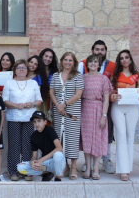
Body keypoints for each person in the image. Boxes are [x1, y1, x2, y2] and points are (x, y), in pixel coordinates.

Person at [77, 40, 116, 174]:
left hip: (99, 109)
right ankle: (87, 168)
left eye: (95, 62)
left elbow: (106, 99)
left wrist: (104, 116)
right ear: (87, 64)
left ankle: (96, 169)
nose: (93, 64)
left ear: (99, 65)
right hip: (85, 110)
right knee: (87, 139)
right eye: (91, 62)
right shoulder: (82, 78)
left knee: (98, 139)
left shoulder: (103, 79)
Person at [3, 60, 43, 181]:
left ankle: (26, 170)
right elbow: (5, 100)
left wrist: (32, 104)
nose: (21, 69)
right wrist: (16, 105)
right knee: (14, 145)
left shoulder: (33, 83)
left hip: (29, 119)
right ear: (15, 70)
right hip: (14, 117)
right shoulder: (9, 83)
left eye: (24, 67)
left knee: (28, 145)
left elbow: (39, 100)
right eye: (19, 67)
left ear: (27, 69)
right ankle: (13, 171)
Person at [110, 50, 139, 181]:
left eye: (126, 57)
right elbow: (110, 92)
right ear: (119, 61)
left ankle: (128, 168)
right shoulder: (115, 75)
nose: (124, 60)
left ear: (130, 59)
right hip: (118, 107)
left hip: (132, 108)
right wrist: (113, 96)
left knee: (130, 137)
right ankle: (123, 170)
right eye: (121, 58)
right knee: (121, 136)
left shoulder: (138, 76)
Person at [49, 52, 84, 180]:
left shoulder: (78, 76)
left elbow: (78, 94)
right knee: (60, 139)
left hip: (72, 113)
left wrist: (64, 104)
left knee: (72, 139)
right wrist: (58, 105)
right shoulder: (55, 75)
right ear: (62, 61)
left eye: (70, 60)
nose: (68, 62)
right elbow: (51, 92)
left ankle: (74, 166)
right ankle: (65, 166)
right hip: (58, 113)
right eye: (65, 60)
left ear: (74, 62)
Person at [16, 111, 65, 182]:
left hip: (56, 162)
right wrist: (32, 162)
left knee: (58, 155)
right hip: (45, 163)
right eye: (34, 122)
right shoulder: (33, 136)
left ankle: (58, 177)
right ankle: (46, 173)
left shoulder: (50, 130)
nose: (37, 124)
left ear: (45, 122)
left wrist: (41, 160)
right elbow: (34, 155)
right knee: (20, 167)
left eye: (39, 121)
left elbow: (59, 148)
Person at [39, 48, 58, 126]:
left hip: (50, 100)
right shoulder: (37, 69)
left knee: (49, 123)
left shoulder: (54, 71)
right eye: (46, 56)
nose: (48, 59)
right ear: (42, 56)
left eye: (50, 57)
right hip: (39, 100)